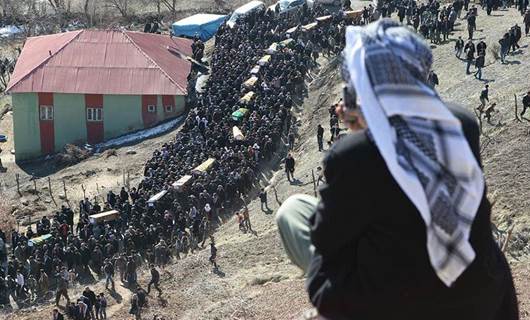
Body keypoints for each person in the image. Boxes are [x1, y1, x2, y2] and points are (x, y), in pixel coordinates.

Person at [276, 19, 518, 320]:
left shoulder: (352, 155)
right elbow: (412, 146)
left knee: (292, 211)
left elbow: (326, 239)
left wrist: (359, 133)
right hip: (479, 296)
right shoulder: (463, 125)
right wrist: (373, 120)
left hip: (391, 305)